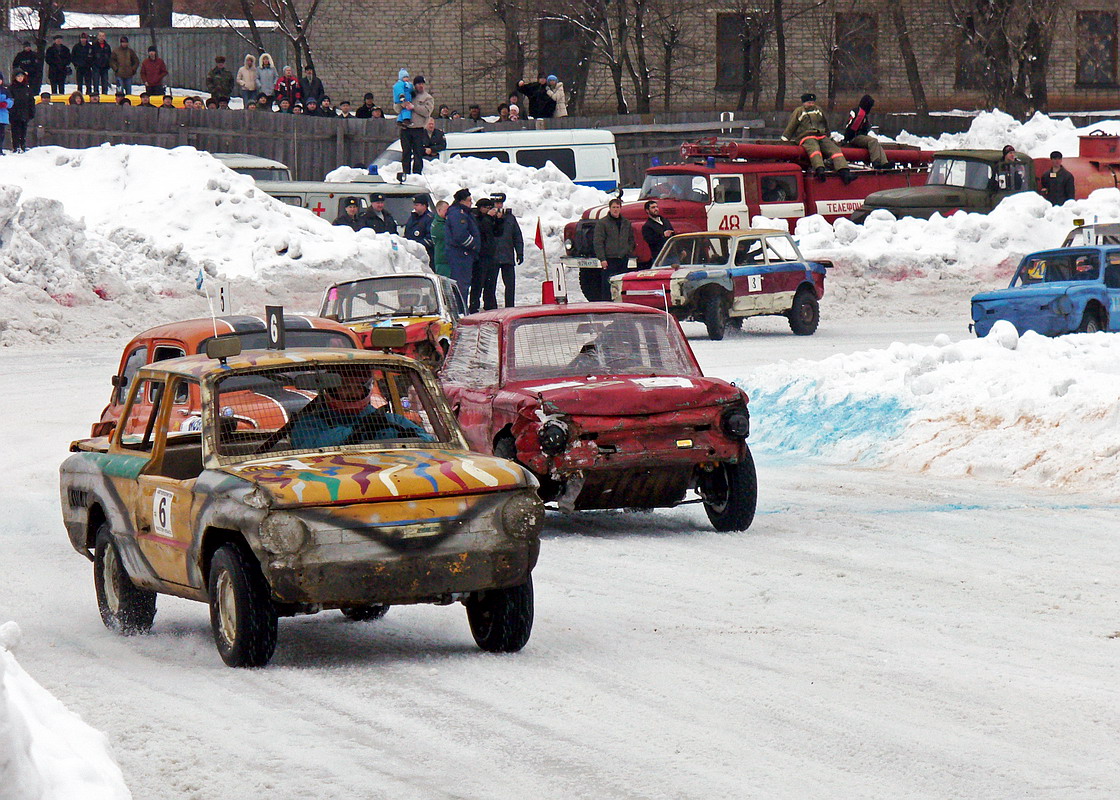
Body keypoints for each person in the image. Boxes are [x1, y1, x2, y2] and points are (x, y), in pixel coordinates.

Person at [290, 369, 430, 450]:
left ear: (366, 390)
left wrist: (407, 436)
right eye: (345, 388)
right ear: (332, 390)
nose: (351, 393)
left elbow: (429, 442)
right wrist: (355, 431)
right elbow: (307, 449)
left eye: (356, 388)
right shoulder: (309, 423)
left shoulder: (391, 420)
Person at [781, 92, 854, 184]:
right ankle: (819, 170)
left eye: (812, 102)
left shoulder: (818, 110)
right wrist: (785, 139)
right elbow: (792, 125)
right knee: (814, 150)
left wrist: (829, 135)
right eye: (809, 102)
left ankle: (844, 171)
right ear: (804, 102)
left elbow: (825, 122)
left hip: (821, 135)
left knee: (835, 150)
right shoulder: (799, 111)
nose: (811, 104)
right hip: (806, 136)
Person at [591, 197, 635, 302]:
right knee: (608, 284)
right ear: (609, 208)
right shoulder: (603, 223)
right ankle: (607, 304)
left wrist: (628, 250)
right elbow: (598, 242)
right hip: (609, 259)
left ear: (620, 208)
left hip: (623, 258)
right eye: (613, 207)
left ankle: (622, 302)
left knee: (621, 284)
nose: (616, 209)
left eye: (618, 207)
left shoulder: (626, 223)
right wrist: (602, 259)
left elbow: (631, 239)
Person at [469, 197, 504, 313]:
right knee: (478, 284)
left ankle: (490, 305)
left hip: (491, 256)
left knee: (491, 284)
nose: (489, 210)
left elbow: (497, 233)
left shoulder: (489, 219)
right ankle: (474, 307)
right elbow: (482, 229)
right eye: (487, 208)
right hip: (480, 257)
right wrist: (489, 217)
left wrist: (498, 220)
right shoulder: (475, 218)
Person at [445, 188, 480, 299]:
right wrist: (473, 244)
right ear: (462, 201)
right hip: (460, 254)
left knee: (463, 285)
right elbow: (460, 235)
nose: (471, 203)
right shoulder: (457, 213)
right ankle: (461, 311)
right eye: (469, 200)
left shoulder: (464, 212)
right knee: (461, 286)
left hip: (464, 254)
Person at [491, 193, 523, 308]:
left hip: (507, 256)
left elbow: (517, 235)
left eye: (500, 203)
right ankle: (492, 307)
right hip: (492, 257)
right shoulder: (488, 217)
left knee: (510, 285)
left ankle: (510, 307)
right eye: (496, 203)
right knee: (491, 285)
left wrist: (519, 252)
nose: (499, 206)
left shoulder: (510, 217)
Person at [841, 94, 888, 168]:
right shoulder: (860, 114)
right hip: (855, 136)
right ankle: (876, 162)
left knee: (876, 144)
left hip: (859, 135)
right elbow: (853, 127)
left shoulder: (859, 112)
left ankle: (884, 163)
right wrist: (847, 138)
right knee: (873, 141)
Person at [400, 75, 433, 175]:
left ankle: (417, 174)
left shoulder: (427, 97)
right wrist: (402, 104)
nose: (421, 86)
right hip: (405, 128)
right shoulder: (407, 94)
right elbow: (397, 108)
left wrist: (414, 107)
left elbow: (427, 111)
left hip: (418, 129)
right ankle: (405, 172)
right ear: (414, 85)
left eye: (422, 84)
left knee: (418, 153)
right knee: (406, 152)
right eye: (419, 84)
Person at [640, 199, 674, 268]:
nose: (656, 209)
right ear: (647, 210)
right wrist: (663, 236)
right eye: (653, 207)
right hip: (659, 257)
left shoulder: (665, 221)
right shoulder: (647, 226)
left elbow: (673, 235)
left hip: (673, 255)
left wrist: (680, 250)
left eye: (656, 207)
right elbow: (650, 240)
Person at [404, 194, 435, 267]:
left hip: (426, 256)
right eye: (414, 205)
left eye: (417, 205)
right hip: (412, 256)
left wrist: (416, 246)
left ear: (424, 206)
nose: (414, 207)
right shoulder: (412, 218)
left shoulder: (430, 219)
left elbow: (430, 239)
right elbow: (407, 234)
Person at [9, 70, 35, 153]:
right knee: (15, 130)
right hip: (15, 113)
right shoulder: (11, 88)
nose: (20, 78)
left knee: (23, 130)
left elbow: (31, 101)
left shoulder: (27, 89)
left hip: (25, 113)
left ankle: (23, 145)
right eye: (18, 76)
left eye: (21, 76)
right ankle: (16, 147)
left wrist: (31, 112)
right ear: (15, 78)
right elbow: (10, 100)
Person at [431, 200, 451, 278]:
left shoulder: (444, 222)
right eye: (446, 210)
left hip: (447, 260)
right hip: (442, 260)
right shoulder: (437, 225)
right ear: (439, 210)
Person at [0, 75, 9, 155]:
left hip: (2, 116)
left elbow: (10, 101)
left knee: (1, 134)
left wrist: (6, 104)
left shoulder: (5, 90)